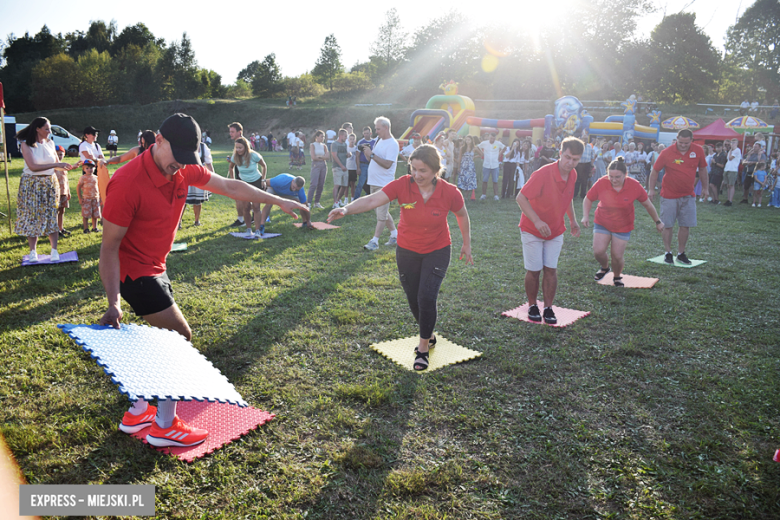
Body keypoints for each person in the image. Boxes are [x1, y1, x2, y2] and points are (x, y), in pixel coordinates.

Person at [99, 113, 309, 447]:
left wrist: (279, 199)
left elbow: (229, 185)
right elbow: (109, 248)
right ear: (159, 141)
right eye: (176, 158)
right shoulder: (127, 182)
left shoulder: (181, 166)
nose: (179, 166)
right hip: (133, 272)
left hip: (156, 266)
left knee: (159, 341)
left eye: (187, 159)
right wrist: (113, 302)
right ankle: (165, 427)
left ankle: (138, 409)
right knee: (178, 337)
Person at [327, 144, 472, 370]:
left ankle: (422, 349)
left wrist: (467, 243)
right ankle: (429, 334)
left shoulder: (450, 192)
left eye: (423, 170)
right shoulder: (402, 184)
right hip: (407, 249)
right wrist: (346, 209)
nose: (416, 175)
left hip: (437, 249)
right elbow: (372, 200)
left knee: (426, 297)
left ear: (436, 170)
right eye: (413, 169)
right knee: (413, 298)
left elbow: (462, 215)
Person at [516, 137, 583, 325]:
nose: (570, 163)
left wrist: (573, 220)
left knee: (551, 269)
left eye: (575, 159)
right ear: (560, 154)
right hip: (532, 229)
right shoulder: (543, 173)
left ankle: (548, 307)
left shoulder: (573, 174)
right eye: (567, 157)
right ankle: (532, 305)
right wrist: (537, 221)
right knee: (534, 270)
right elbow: (521, 198)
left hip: (555, 230)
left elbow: (567, 197)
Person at [581, 157, 664, 286]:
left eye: (617, 177)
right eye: (611, 176)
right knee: (598, 251)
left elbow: (648, 205)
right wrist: (585, 216)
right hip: (603, 221)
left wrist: (658, 221)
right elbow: (588, 199)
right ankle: (604, 267)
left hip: (623, 225)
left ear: (625, 174)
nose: (613, 180)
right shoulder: (601, 182)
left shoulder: (634, 185)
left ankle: (617, 276)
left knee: (617, 256)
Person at [15, 118, 76, 262]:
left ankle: (54, 251)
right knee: (32, 216)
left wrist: (69, 165)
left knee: (51, 215)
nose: (49, 132)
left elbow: (56, 165)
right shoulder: (26, 144)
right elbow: (33, 166)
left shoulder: (51, 143)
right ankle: (32, 252)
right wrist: (56, 164)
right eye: (47, 129)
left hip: (49, 183)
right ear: (37, 129)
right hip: (31, 184)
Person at [647, 129, 708, 265]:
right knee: (667, 225)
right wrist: (651, 189)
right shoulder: (667, 152)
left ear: (691, 140)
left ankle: (681, 253)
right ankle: (668, 252)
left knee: (685, 225)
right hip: (669, 194)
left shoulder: (698, 151)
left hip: (688, 195)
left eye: (686, 143)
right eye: (681, 142)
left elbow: (703, 169)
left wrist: (705, 187)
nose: (683, 145)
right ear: (677, 139)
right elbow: (655, 170)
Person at [362, 116, 400, 250]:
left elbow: (388, 164)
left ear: (386, 127)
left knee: (381, 214)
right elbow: (372, 160)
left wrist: (371, 155)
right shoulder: (379, 140)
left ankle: (375, 241)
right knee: (380, 210)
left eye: (378, 129)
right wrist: (367, 153)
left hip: (384, 184)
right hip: (374, 181)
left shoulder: (392, 144)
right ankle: (395, 235)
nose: (376, 131)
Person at [232, 136, 268, 237]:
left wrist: (263, 180)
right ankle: (248, 229)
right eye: (237, 148)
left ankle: (257, 230)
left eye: (240, 148)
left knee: (256, 207)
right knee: (246, 207)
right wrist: (233, 180)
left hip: (256, 182)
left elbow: (264, 165)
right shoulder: (235, 156)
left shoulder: (254, 155)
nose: (238, 150)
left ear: (246, 147)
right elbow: (231, 167)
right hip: (243, 183)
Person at [182, 141, 215, 227]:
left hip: (199, 175)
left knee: (197, 200)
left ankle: (197, 221)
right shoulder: (183, 144)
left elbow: (209, 163)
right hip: (186, 174)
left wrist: (213, 177)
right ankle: (178, 222)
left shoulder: (203, 147)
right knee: (182, 199)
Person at [227, 122, 248, 227]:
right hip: (240, 175)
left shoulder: (244, 143)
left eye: (232, 132)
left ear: (239, 132)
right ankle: (246, 218)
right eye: (230, 131)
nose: (230, 133)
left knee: (240, 198)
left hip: (244, 176)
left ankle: (241, 220)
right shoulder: (238, 143)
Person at [477, 132, 506, 200]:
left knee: (495, 181)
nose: (492, 139)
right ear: (489, 137)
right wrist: (481, 153)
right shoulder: (485, 143)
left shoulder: (498, 143)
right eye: (491, 138)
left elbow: (504, 147)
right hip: (486, 164)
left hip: (495, 165)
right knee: (485, 180)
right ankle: (483, 194)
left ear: (495, 138)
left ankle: (496, 195)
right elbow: (477, 147)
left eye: (493, 138)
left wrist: (500, 153)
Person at [77, 159, 101, 233]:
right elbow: (78, 187)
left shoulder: (96, 177)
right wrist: (80, 198)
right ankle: (86, 228)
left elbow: (99, 188)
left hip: (95, 199)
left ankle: (95, 227)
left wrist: (100, 197)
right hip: (86, 199)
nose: (89, 170)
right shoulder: (83, 178)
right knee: (86, 214)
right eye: (87, 168)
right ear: (83, 169)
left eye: (91, 168)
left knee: (95, 214)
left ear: (94, 168)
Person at [54, 145, 72, 237]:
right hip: (56, 192)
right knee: (56, 211)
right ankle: (56, 230)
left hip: (64, 192)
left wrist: (68, 191)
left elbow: (66, 180)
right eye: (57, 154)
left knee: (62, 210)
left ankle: (61, 228)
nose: (59, 156)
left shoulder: (64, 166)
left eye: (61, 154)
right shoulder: (53, 167)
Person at [308, 130, 329, 209]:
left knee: (321, 184)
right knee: (314, 184)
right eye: (321, 136)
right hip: (315, 165)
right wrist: (322, 157)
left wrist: (320, 157)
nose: (323, 138)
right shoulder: (312, 145)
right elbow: (313, 157)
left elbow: (327, 157)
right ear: (317, 137)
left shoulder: (324, 146)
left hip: (323, 165)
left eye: (323, 136)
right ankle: (309, 202)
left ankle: (317, 202)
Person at [330, 129, 350, 208]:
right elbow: (334, 155)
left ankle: (338, 200)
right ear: (340, 136)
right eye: (345, 136)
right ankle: (335, 202)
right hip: (337, 167)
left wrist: (348, 154)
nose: (346, 138)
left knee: (345, 185)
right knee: (337, 185)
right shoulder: (334, 144)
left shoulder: (345, 144)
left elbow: (344, 154)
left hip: (345, 167)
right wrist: (341, 165)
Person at [354, 126, 375, 199]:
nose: (366, 135)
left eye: (367, 133)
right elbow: (357, 156)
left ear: (371, 133)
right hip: (363, 164)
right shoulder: (361, 142)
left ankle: (369, 198)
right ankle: (355, 199)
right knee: (361, 183)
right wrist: (358, 167)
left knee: (371, 183)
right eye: (365, 133)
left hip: (372, 164)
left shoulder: (374, 142)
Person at [723, 139, 742, 206]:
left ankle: (730, 200)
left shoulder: (737, 150)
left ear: (737, 143)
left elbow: (730, 158)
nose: (732, 144)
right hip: (728, 168)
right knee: (728, 185)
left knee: (731, 185)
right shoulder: (730, 151)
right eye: (732, 143)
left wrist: (730, 150)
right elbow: (728, 159)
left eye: (734, 143)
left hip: (733, 170)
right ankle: (728, 199)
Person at [346, 133, 359, 205]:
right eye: (350, 139)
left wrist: (357, 168)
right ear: (348, 140)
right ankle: (346, 199)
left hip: (354, 168)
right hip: (347, 168)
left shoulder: (356, 148)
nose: (352, 140)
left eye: (353, 139)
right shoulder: (346, 148)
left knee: (353, 184)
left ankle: (352, 198)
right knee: (346, 184)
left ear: (355, 140)